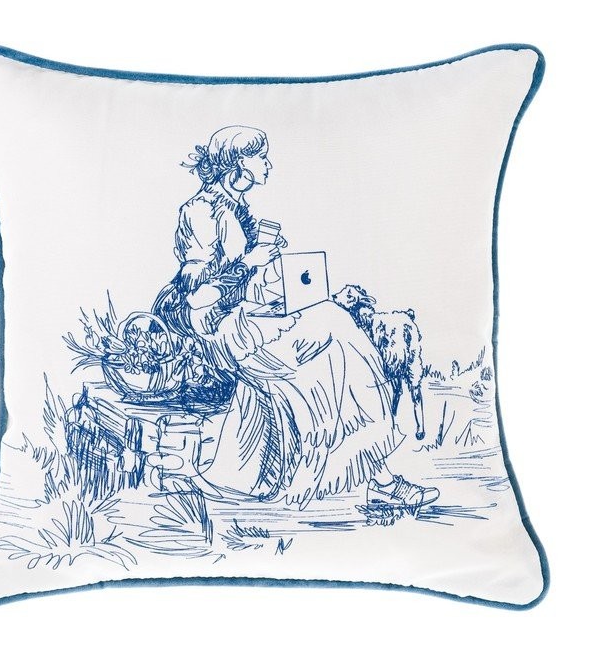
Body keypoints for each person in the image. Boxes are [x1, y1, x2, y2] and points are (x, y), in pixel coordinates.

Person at [153, 125, 439, 511]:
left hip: (249, 318)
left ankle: (377, 477)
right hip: (222, 329)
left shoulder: (238, 208)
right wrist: (249, 262)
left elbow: (246, 285)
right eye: (260, 157)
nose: (268, 165)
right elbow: (197, 294)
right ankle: (380, 480)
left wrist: (271, 268)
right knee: (333, 343)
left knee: (335, 326)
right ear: (238, 164)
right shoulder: (199, 212)